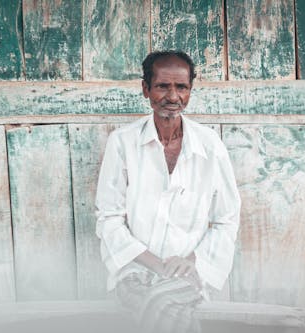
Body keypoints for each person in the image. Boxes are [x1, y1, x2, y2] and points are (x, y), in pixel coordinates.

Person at [95, 50, 241, 333]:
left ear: (190, 91)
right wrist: (158, 266)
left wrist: (190, 263)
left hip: (188, 274)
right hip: (135, 272)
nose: (172, 96)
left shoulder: (210, 145)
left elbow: (226, 219)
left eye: (181, 87)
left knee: (162, 302)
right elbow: (109, 219)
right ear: (146, 89)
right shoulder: (122, 143)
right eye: (162, 86)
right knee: (162, 303)